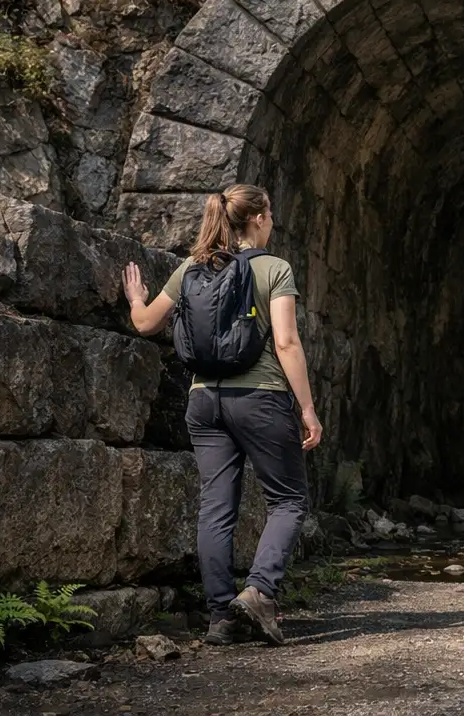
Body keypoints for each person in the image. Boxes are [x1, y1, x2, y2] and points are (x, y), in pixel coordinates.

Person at [122, 183, 323, 646]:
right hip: (261, 398)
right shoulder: (274, 268)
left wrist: (135, 296)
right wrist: (308, 409)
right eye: (269, 213)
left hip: (203, 401)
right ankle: (258, 592)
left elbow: (146, 323)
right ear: (257, 219)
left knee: (216, 508)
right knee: (289, 501)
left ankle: (220, 619)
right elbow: (288, 343)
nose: (272, 221)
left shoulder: (193, 266)